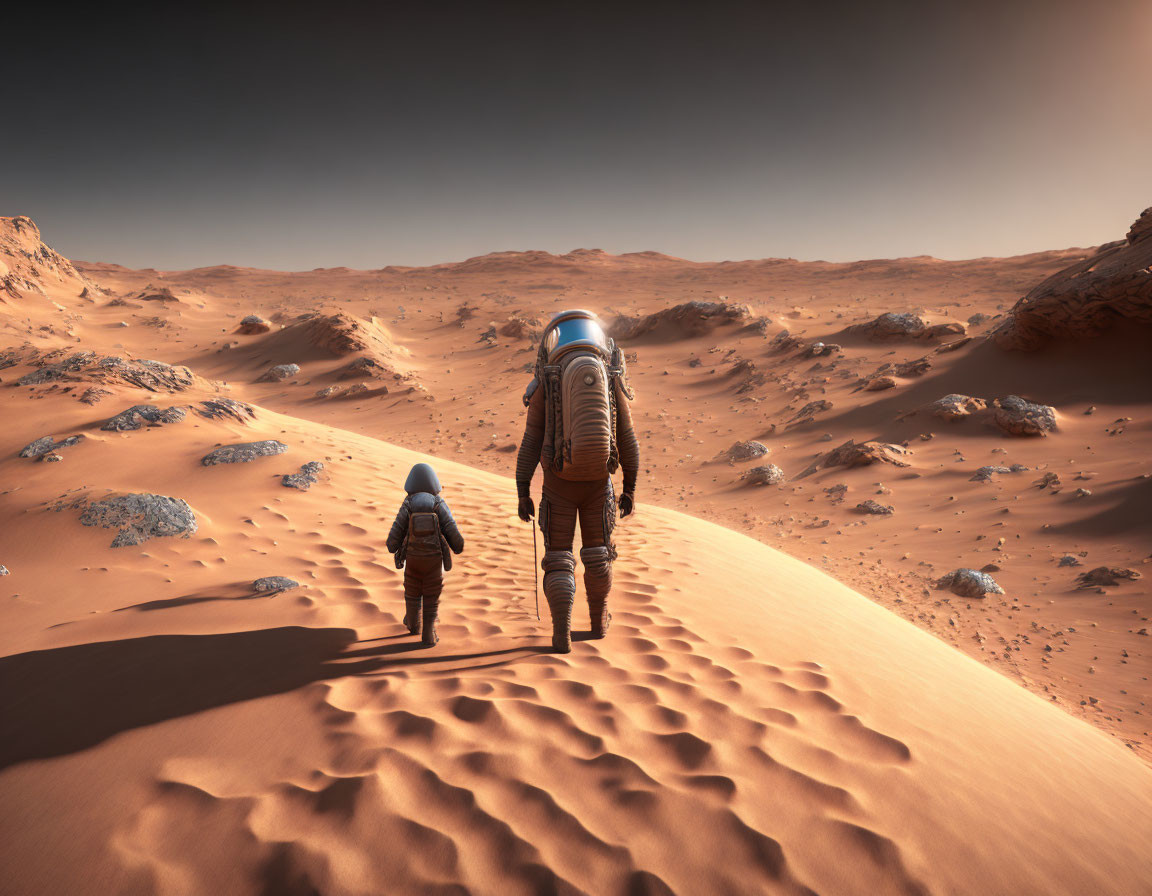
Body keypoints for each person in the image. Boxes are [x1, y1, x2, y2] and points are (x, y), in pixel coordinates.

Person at [515, 309, 639, 653]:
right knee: (599, 555)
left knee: (558, 559)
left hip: (558, 486)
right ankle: (598, 624)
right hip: (600, 485)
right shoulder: (610, 378)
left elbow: (530, 444)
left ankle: (561, 634)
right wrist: (629, 488)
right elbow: (627, 440)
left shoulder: (548, 380)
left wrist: (523, 491)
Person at [386, 463, 465, 646]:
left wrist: (395, 546)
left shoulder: (408, 503)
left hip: (413, 559)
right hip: (434, 560)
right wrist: (457, 546)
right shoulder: (438, 503)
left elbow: (393, 538)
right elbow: (454, 536)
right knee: (431, 595)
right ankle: (428, 634)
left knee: (412, 591)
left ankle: (414, 626)